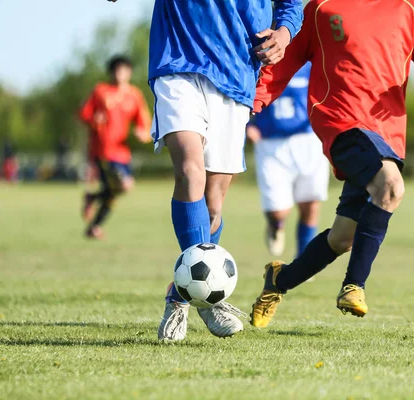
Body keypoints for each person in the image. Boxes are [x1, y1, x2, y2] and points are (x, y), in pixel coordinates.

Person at [249, 0, 414, 327]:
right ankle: (354, 286)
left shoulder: (409, 6)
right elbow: (281, 65)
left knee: (342, 237)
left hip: (387, 134)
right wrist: (248, 103)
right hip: (341, 122)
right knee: (391, 187)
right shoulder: (321, 8)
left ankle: (279, 280)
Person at [108, 0, 303, 341]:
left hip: (238, 70)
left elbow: (292, 4)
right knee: (190, 171)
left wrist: (285, 33)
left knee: (213, 206)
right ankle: (208, 301)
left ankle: (180, 295)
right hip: (178, 63)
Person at [246, 62, 329, 258]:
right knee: (278, 211)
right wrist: (247, 125)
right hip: (270, 143)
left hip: (308, 139)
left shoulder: (311, 65)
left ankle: (305, 260)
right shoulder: (259, 65)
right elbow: (244, 96)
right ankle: (276, 226)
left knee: (310, 203)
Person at [79, 55, 151, 239]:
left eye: (124, 69)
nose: (120, 73)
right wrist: (94, 120)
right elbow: (84, 114)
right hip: (103, 151)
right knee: (124, 186)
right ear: (111, 72)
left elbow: (144, 122)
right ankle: (93, 213)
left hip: (122, 153)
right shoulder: (101, 91)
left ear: (129, 72)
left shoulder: (134, 95)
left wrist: (143, 134)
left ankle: (93, 219)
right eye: (117, 69)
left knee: (114, 193)